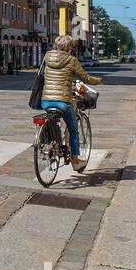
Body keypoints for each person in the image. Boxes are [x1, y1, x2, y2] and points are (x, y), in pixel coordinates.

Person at [41, 34, 103, 171]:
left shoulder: (47, 57)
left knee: (53, 120)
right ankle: (75, 161)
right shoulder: (71, 60)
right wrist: (98, 80)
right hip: (63, 101)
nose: (73, 48)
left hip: (45, 100)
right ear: (68, 47)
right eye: (72, 46)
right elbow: (85, 78)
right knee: (74, 131)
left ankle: (54, 144)